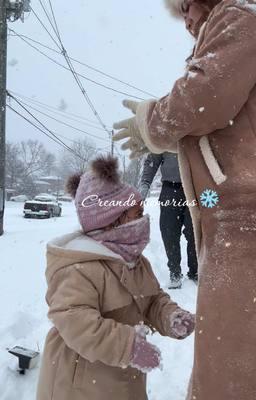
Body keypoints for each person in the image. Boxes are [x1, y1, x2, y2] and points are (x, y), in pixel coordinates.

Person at [112, 0, 256, 399]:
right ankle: (179, 269)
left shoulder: (243, 15)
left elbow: (202, 98)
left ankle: (186, 269)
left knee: (248, 360)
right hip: (251, 214)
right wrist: (143, 189)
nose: (187, 21)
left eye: (186, 7)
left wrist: (152, 123)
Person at [36, 155, 195, 400]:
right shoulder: (80, 266)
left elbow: (151, 299)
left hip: (121, 379)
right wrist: (127, 346)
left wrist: (168, 315)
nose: (144, 220)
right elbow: (75, 320)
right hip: (79, 384)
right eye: (137, 214)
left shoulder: (135, 261)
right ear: (112, 221)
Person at [140, 152, 198, 288]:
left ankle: (195, 271)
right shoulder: (164, 136)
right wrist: (145, 185)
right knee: (169, 232)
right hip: (169, 191)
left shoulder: (194, 133)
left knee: (194, 231)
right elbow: (151, 162)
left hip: (194, 190)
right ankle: (175, 272)